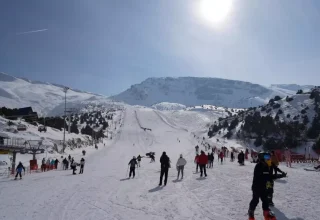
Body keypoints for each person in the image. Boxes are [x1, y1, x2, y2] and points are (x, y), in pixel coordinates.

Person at [248, 152, 287, 220]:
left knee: (265, 201)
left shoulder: (266, 166)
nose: (268, 159)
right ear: (262, 158)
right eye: (266, 157)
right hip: (257, 187)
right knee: (255, 200)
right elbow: (266, 176)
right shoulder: (259, 166)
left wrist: (280, 175)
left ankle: (266, 213)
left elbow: (270, 176)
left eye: (269, 157)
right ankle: (251, 213)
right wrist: (270, 175)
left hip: (263, 187)